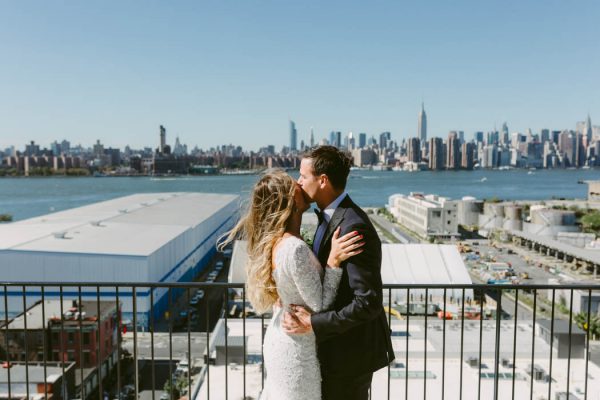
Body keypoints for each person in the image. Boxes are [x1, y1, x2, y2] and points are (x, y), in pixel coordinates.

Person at [219, 169, 364, 400]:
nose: (299, 182)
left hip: (283, 337)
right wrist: (333, 262)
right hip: (296, 350)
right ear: (290, 200)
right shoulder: (293, 248)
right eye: (293, 183)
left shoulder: (277, 243)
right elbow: (320, 304)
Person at [282, 145, 395, 400]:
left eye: (303, 176)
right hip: (336, 353)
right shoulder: (331, 218)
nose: (299, 182)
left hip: (350, 357)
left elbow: (368, 302)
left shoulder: (352, 227)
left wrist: (313, 323)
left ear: (322, 180)